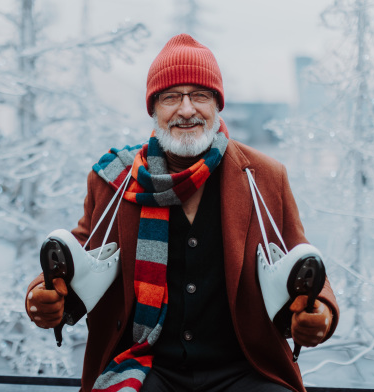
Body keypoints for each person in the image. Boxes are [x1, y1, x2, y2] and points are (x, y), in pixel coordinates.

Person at [25, 34, 339, 392]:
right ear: (154, 109)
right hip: (148, 365)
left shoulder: (264, 176)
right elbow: (78, 252)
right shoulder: (114, 179)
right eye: (171, 97)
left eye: (200, 96)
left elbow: (301, 257)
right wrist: (42, 293)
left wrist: (322, 310)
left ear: (217, 106)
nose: (187, 110)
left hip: (244, 367)